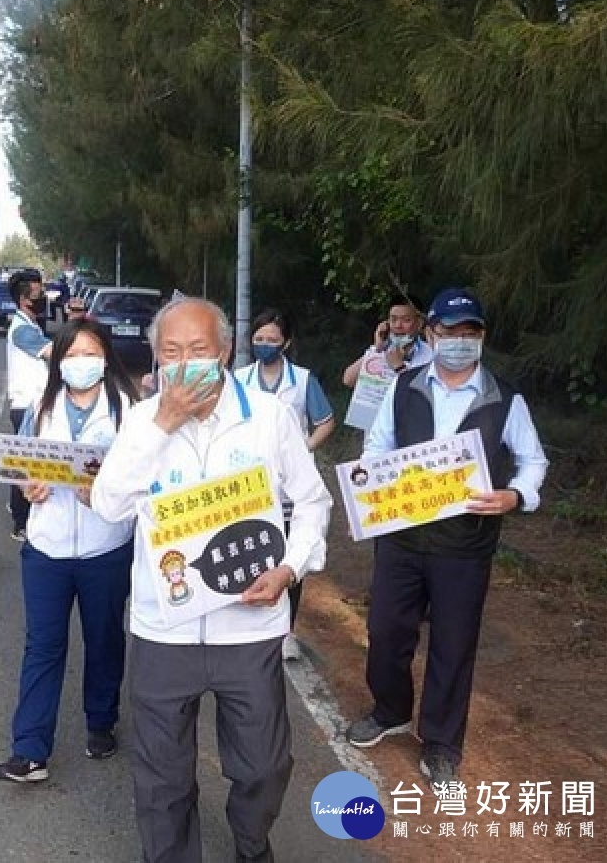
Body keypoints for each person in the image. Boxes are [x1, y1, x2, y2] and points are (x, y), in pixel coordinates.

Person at [92, 298, 332, 863]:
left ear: (225, 352)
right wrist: (160, 425)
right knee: (161, 776)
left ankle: (251, 843)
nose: (184, 363)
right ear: (155, 357)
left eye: (198, 350)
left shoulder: (270, 418)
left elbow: (313, 501)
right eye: (171, 352)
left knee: (265, 765)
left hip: (247, 628)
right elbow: (108, 504)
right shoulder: (139, 420)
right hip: (162, 630)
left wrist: (289, 568)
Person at [345, 287, 548, 788]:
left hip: (466, 544)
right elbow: (377, 446)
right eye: (450, 331)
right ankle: (390, 709)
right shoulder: (404, 386)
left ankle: (440, 742)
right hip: (402, 538)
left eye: (470, 332)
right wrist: (376, 483)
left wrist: (516, 496)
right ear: (430, 333)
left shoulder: (505, 397)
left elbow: (533, 461)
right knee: (388, 631)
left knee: (453, 644)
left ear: (482, 337)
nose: (459, 341)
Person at [0, 318, 143, 784]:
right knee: (43, 646)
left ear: (106, 356)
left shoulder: (129, 410)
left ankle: (101, 722)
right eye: (73, 354)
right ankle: (30, 749)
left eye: (91, 352)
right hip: (48, 548)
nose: (82, 363)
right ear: (59, 360)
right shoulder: (41, 408)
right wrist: (29, 487)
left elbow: (143, 476)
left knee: (104, 641)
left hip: (106, 548)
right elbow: (21, 465)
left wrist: (104, 492)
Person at [235, 308, 335, 661]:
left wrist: (301, 449)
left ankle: (286, 631)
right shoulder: (241, 379)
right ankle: (250, 621)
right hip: (249, 487)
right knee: (251, 550)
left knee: (290, 556)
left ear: (287, 343)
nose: (264, 345)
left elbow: (325, 421)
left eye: (272, 340)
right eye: (259, 339)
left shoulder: (304, 380)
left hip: (292, 488)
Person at [6, 271, 52, 541]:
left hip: (34, 403)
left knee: (30, 461)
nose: (43, 298)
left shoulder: (31, 325)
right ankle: (20, 520)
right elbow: (52, 351)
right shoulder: (22, 330)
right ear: (24, 299)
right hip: (26, 406)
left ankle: (22, 511)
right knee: (25, 464)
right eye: (38, 294)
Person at [342, 293, 434, 388]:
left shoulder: (430, 355)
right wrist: (377, 349)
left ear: (419, 324)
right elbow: (348, 380)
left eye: (406, 320)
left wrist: (399, 367)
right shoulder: (381, 348)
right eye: (393, 320)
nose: (398, 325)